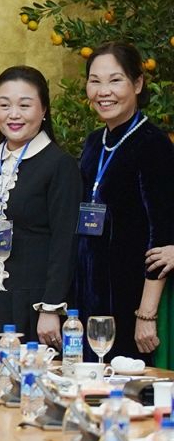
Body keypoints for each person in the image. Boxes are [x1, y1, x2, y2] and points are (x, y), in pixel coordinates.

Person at [74, 43, 174, 362]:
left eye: (115, 80)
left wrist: (145, 314)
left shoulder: (153, 145)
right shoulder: (94, 143)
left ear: (138, 83)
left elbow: (162, 237)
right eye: (95, 80)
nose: (104, 91)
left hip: (131, 300)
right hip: (91, 296)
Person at [0, 66, 80, 350]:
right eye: (4, 105)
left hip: (35, 302)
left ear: (43, 109)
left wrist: (51, 308)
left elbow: (64, 241)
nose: (13, 114)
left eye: (25, 105)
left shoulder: (60, 165)